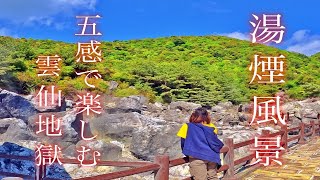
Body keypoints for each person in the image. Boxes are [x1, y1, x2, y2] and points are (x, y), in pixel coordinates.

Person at [177, 107, 224, 180]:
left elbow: (183, 143)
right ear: (207, 116)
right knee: (213, 177)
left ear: (193, 116)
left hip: (197, 157)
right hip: (212, 157)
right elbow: (213, 141)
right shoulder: (212, 126)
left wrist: (188, 154)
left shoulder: (187, 126)